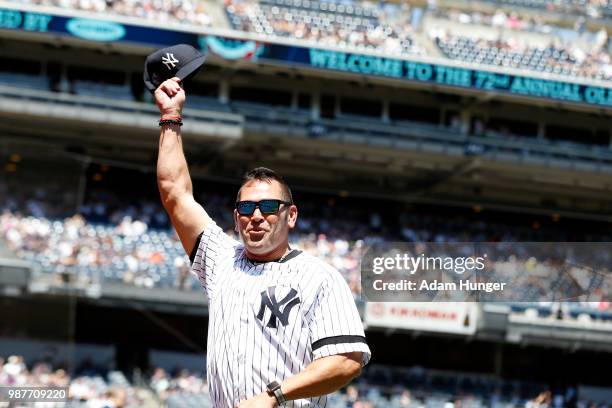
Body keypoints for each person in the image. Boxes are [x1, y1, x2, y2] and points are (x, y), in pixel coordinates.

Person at [155, 77, 371, 408]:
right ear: (236, 215)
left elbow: (346, 360)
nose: (256, 215)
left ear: (291, 215)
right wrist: (170, 116)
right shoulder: (220, 260)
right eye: (246, 207)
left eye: (269, 207)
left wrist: (275, 395)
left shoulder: (319, 277)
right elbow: (175, 192)